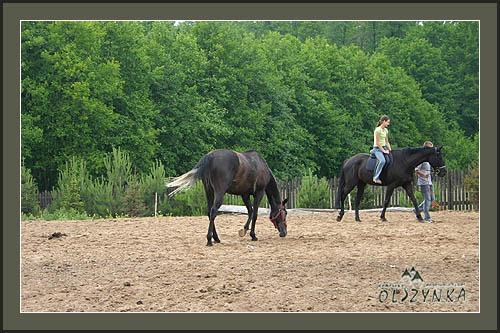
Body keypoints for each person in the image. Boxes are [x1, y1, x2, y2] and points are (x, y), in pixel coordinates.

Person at [414, 141, 435, 223]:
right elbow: (416, 170)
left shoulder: (428, 159)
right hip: (423, 182)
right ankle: (427, 217)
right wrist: (423, 175)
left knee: (432, 199)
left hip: (429, 182)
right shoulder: (421, 160)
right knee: (427, 199)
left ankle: (417, 210)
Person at [371, 115, 392, 184]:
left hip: (384, 147)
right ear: (383, 121)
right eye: (387, 122)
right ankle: (375, 177)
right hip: (377, 149)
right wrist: (384, 151)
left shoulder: (386, 130)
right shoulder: (377, 130)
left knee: (390, 160)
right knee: (382, 161)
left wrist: (390, 149)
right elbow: (377, 143)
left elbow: (386, 141)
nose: (388, 124)